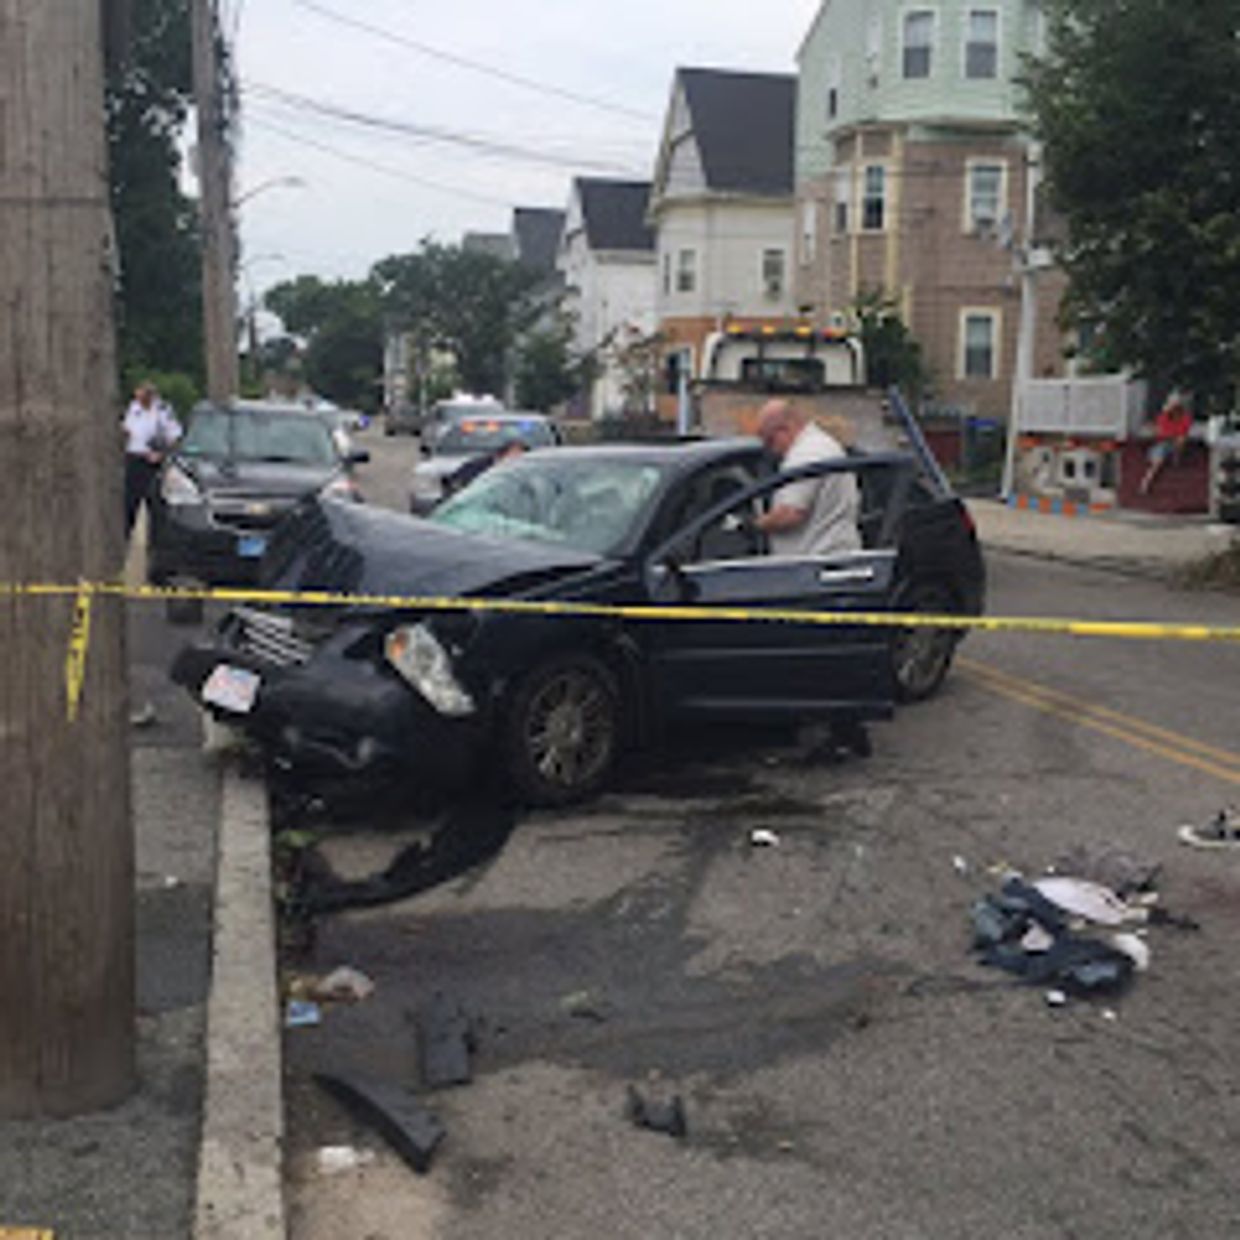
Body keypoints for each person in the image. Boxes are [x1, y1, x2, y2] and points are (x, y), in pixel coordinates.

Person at [754, 399, 861, 557]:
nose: (772, 451)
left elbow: (790, 514)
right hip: (835, 556)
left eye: (770, 441)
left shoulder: (805, 455)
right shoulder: (822, 445)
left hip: (816, 563)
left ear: (784, 429)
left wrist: (755, 525)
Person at [122, 382, 182, 536]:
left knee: (155, 504)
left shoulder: (162, 410)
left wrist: (162, 454)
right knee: (130, 503)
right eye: (139, 393)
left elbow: (174, 437)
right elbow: (127, 430)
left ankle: (156, 538)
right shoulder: (132, 409)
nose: (141, 397)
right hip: (134, 459)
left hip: (154, 462)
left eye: (146, 394)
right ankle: (126, 536)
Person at [1139, 391, 1193, 496]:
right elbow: (1161, 432)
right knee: (1158, 459)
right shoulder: (1163, 417)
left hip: (1174, 443)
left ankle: (1176, 459)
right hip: (1163, 444)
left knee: (1180, 441)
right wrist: (1169, 435)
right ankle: (1145, 483)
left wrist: (1173, 436)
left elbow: (1182, 432)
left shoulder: (1185, 418)